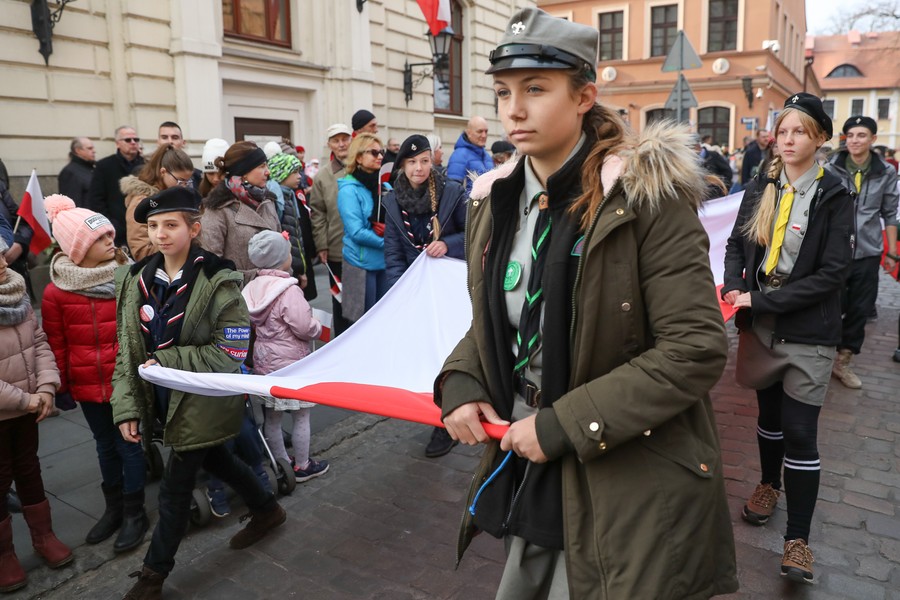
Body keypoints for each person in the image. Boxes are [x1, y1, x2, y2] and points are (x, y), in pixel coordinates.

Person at [435, 8, 737, 598]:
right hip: (533, 455)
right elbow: (499, 323)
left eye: (536, 89)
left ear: (584, 97)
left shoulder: (648, 197)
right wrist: (462, 380)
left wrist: (564, 425)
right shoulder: (492, 200)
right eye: (503, 92)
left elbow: (695, 350)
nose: (514, 110)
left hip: (625, 469)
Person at [112, 187, 286, 599]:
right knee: (220, 460)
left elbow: (231, 350)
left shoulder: (218, 279)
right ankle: (267, 509)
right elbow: (128, 351)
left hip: (201, 401)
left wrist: (171, 361)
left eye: (170, 225)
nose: (160, 234)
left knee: (174, 489)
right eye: (152, 226)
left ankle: (153, 576)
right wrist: (127, 407)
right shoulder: (137, 279)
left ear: (193, 228)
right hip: (161, 400)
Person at [722, 93, 854, 584]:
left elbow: (834, 274)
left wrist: (764, 301)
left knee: (800, 431)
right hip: (760, 325)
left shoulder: (835, 192)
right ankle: (765, 485)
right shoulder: (764, 181)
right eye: (783, 131)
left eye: (799, 131)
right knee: (769, 418)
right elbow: (737, 241)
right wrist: (737, 283)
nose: (788, 139)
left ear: (820, 138)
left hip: (807, 331)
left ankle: (798, 540)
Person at [39, 195, 147, 552]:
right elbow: (57, 341)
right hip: (86, 384)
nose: (110, 242)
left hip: (125, 381)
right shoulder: (57, 292)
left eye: (109, 235)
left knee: (128, 445)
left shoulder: (128, 277)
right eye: (101, 238)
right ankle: (113, 508)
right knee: (104, 445)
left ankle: (135, 511)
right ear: (78, 248)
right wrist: (62, 385)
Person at [383, 134, 467, 459]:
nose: (419, 168)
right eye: (412, 162)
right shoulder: (392, 201)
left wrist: (448, 244)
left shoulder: (452, 192)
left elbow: (472, 231)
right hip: (414, 290)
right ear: (402, 165)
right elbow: (393, 252)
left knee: (449, 352)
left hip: (449, 288)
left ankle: (445, 422)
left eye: (424, 161)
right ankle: (437, 411)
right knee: (426, 353)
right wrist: (397, 298)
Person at [0, 236, 72, 594]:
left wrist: (46, 388)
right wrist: (23, 400)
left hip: (29, 405)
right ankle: (4, 555)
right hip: (6, 410)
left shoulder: (17, 292)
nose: (1, 262)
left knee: (29, 470)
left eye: (0, 254)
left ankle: (44, 537)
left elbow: (39, 342)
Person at [242, 230, 329, 482]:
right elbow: (302, 326)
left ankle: (282, 463)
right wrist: (316, 326)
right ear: (281, 259)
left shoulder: (251, 288)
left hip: (264, 358)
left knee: (273, 415)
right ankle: (302, 465)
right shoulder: (288, 290)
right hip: (291, 360)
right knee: (301, 413)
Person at [824, 116, 899, 388]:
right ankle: (822, 355)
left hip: (867, 252)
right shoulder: (830, 167)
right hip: (834, 250)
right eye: (851, 135)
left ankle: (843, 361)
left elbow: (890, 214)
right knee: (830, 303)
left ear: (873, 139)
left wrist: (890, 253)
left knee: (860, 309)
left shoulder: (886, 172)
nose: (855, 140)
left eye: (861, 135)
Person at [201, 141, 280, 285]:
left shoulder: (268, 201)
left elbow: (281, 246)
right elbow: (211, 266)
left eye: (266, 165)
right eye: (261, 166)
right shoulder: (218, 209)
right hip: (240, 299)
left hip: (275, 292)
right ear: (243, 172)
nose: (268, 172)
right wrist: (257, 277)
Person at [337, 133, 387, 322]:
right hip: (360, 264)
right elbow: (356, 232)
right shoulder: (348, 190)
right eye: (374, 152)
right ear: (358, 157)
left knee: (382, 320)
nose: (380, 156)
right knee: (361, 322)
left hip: (383, 262)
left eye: (381, 152)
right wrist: (388, 242)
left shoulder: (382, 184)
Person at [309, 124, 352, 335]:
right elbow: (318, 213)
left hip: (364, 246)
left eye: (345, 138)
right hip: (336, 248)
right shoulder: (322, 177)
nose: (342, 144)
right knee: (341, 302)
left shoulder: (361, 166)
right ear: (329, 145)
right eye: (336, 140)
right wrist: (321, 244)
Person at [123, 145, 195, 261]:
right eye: (180, 181)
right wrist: (182, 244)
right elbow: (141, 251)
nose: (184, 186)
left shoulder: (176, 196)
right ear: (163, 172)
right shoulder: (141, 202)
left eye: (188, 181)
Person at [267, 152, 317, 299]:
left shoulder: (290, 196)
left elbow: (297, 235)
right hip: (285, 270)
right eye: (294, 172)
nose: (300, 176)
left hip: (294, 266)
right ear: (282, 173)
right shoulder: (277, 200)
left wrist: (301, 269)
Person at [87, 125, 145, 247]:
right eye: (128, 140)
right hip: (116, 231)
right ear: (118, 143)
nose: (133, 143)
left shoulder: (147, 165)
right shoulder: (104, 166)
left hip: (143, 227)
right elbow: (96, 200)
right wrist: (111, 224)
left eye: (136, 139)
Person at [446, 116, 493, 193]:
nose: (484, 135)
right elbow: (453, 190)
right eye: (480, 131)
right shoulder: (459, 156)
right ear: (468, 133)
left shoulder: (486, 156)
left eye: (486, 131)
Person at [156, 121, 202, 190]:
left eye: (175, 137)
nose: (169, 141)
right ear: (158, 142)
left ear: (183, 143)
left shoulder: (197, 176)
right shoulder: (145, 174)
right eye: (164, 137)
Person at [58, 137, 96, 207]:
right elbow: (72, 203)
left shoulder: (91, 168)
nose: (94, 151)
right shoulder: (69, 172)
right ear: (78, 150)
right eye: (89, 148)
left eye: (93, 148)